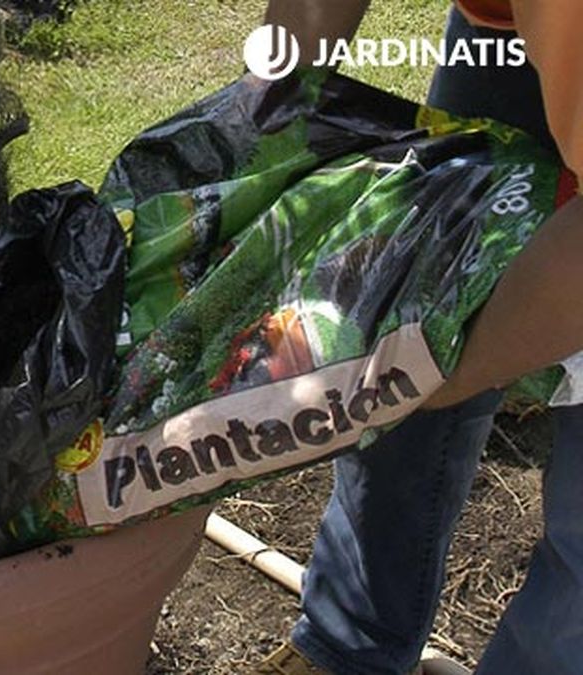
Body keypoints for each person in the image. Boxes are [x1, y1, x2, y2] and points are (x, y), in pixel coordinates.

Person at [251, 1, 583, 674]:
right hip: (502, 27)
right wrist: (261, 127)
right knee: (407, 296)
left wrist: (431, 376)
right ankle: (343, 646)